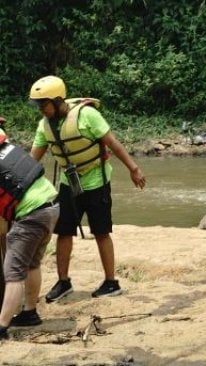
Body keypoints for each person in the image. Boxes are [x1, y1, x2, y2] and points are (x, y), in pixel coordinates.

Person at [28, 75, 146, 302]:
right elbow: (33, 159)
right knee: (63, 232)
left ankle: (111, 282)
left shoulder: (87, 116)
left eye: (44, 104)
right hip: (67, 183)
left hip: (96, 181)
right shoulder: (44, 127)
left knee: (101, 231)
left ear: (57, 99)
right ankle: (63, 282)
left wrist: (134, 169)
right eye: (39, 106)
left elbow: (113, 143)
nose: (41, 110)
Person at [0, 120, 60, 340]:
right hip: (51, 205)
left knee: (13, 272)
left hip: (31, 214)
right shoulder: (4, 144)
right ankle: (29, 313)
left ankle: (2, 326)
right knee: (32, 263)